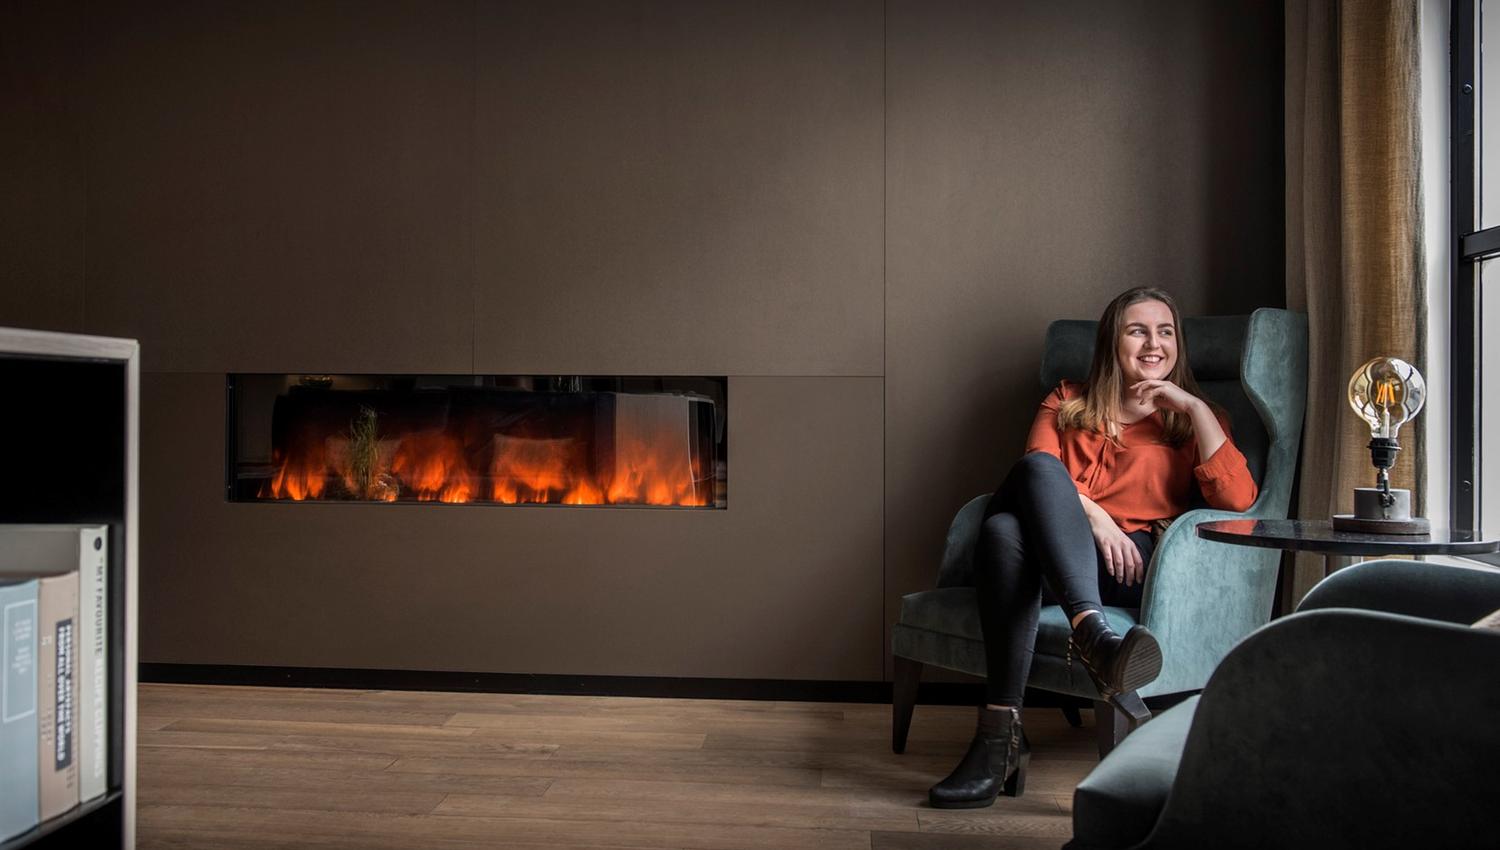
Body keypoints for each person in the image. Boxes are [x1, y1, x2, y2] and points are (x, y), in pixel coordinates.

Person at [928, 286, 1258, 809]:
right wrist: (1096, 516)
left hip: (1129, 562)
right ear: (1112, 342)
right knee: (1018, 504)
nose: (1154, 344)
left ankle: (997, 743)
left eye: (1165, 332)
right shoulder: (1066, 400)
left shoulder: (1197, 419)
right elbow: (1037, 468)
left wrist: (1193, 405)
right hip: (1058, 550)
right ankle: (1093, 636)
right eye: (1138, 330)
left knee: (1004, 533)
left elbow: (1238, 500)